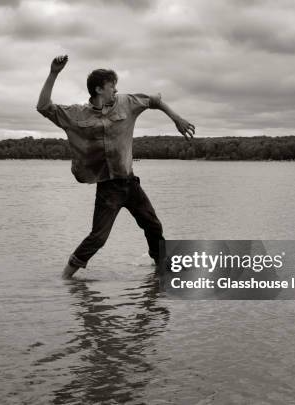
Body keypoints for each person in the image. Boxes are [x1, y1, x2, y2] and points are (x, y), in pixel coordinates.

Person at [37, 55, 195, 279]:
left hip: (130, 184)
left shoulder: (126, 102)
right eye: (112, 86)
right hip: (107, 189)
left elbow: (155, 100)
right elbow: (43, 106)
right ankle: (65, 279)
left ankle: (162, 268)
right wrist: (54, 73)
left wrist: (177, 119)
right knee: (98, 237)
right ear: (99, 89)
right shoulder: (76, 114)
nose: (116, 90)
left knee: (153, 225)